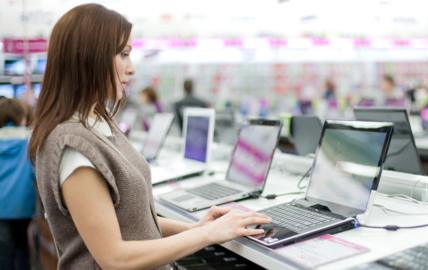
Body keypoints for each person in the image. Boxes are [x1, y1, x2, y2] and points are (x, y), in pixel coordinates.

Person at [28, 4, 270, 269]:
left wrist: (196, 227)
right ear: (89, 57)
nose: (131, 69)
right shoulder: (74, 146)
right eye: (124, 54)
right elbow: (114, 258)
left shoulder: (96, 125)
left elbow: (134, 222)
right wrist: (208, 234)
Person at [0, 98, 36, 270]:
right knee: (22, 248)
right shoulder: (30, 141)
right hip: (24, 206)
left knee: (4, 253)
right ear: (22, 118)